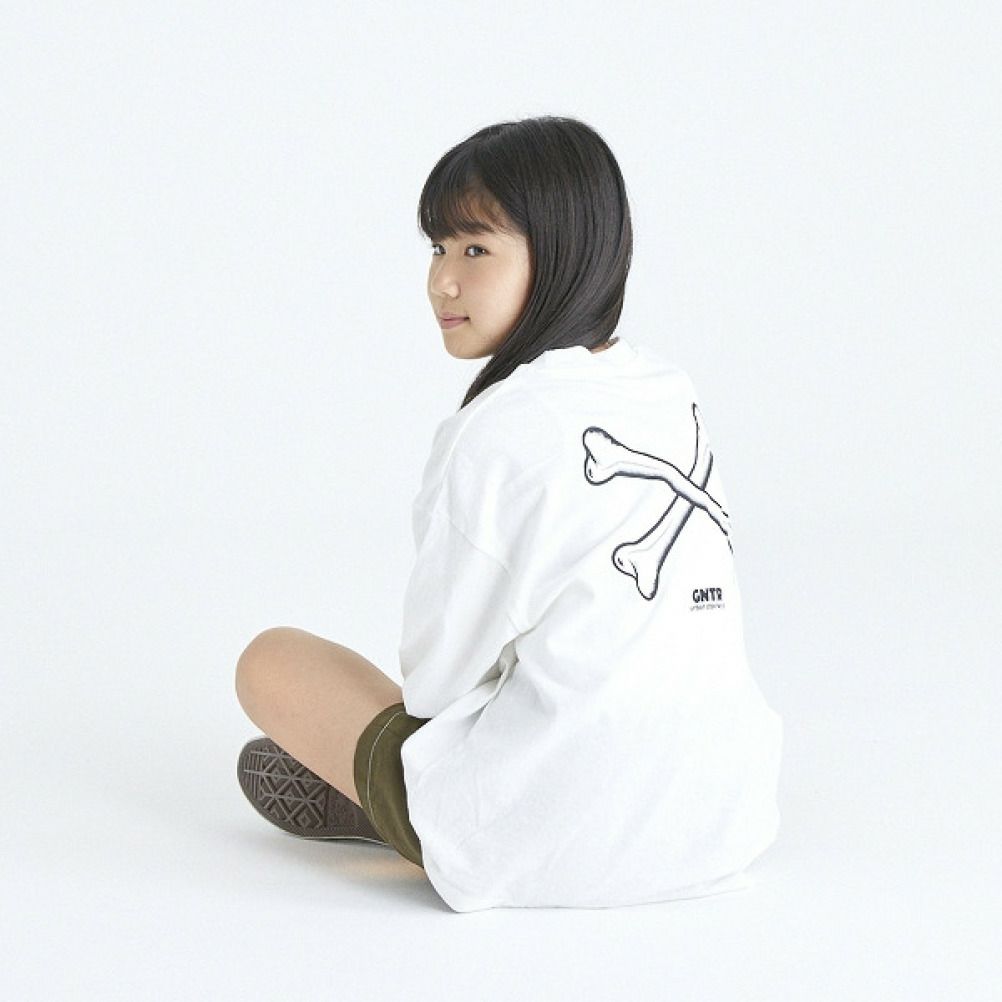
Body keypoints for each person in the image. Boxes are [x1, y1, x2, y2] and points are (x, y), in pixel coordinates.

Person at [234, 115, 784, 913]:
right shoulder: (671, 391)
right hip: (722, 823)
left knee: (270, 661)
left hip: (543, 842)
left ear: (563, 251)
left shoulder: (497, 431)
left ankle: (404, 813)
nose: (441, 281)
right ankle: (397, 794)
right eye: (437, 247)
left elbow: (434, 683)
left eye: (475, 250)